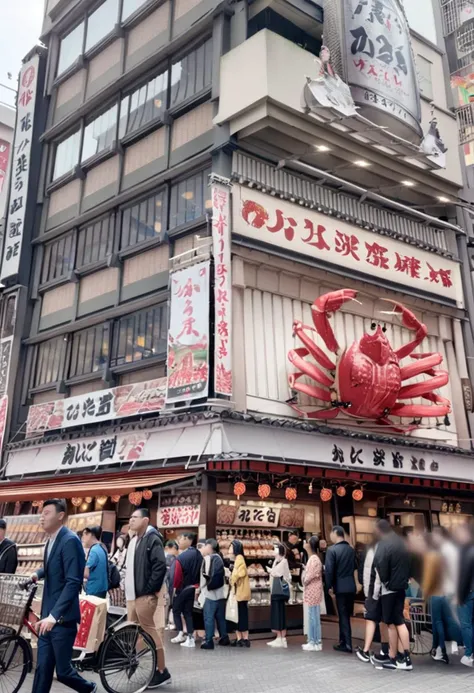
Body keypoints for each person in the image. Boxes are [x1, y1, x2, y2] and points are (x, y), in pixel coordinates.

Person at [30, 499, 96, 693]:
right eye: (41, 513)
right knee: (42, 668)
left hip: (62, 618)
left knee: (64, 671)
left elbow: (73, 581)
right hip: (48, 615)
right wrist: (37, 574)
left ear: (60, 516)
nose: (42, 517)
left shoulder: (69, 540)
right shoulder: (51, 539)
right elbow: (53, 565)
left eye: (47, 513)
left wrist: (54, 615)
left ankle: (89, 689)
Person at [125, 507, 170, 688]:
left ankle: (162, 671)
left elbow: (160, 566)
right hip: (134, 595)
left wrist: (149, 590)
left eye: (135, 517)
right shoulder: (136, 540)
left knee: (150, 631)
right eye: (130, 517)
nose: (131, 520)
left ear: (145, 520)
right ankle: (138, 664)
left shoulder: (153, 538)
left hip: (144, 596)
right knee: (136, 632)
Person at [373, 519, 413, 671]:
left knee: (391, 624)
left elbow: (380, 563)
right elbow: (410, 562)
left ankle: (395, 657)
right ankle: (404, 658)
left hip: (389, 588)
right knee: (399, 621)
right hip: (401, 587)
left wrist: (386, 582)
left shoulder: (383, 543)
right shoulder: (402, 542)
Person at [356, 536, 390, 665]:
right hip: (386, 591)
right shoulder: (388, 550)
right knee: (383, 621)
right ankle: (385, 650)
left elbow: (367, 573)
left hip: (373, 590)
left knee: (370, 620)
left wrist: (368, 592)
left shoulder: (371, 551)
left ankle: (366, 651)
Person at [325, 525, 356, 653]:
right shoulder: (351, 549)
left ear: (334, 533)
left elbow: (329, 571)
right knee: (347, 615)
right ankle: (343, 641)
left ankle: (347, 643)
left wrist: (329, 586)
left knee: (343, 615)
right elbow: (355, 566)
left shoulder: (332, 550)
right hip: (351, 586)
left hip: (340, 587)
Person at [171, 531, 203, 648]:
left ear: (187, 539)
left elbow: (177, 575)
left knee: (176, 610)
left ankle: (181, 633)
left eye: (181, 539)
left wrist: (175, 588)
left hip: (182, 588)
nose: (179, 541)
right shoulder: (198, 554)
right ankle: (190, 637)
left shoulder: (182, 557)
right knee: (188, 613)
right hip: (193, 587)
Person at [200, 538, 229, 649]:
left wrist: (202, 590)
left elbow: (204, 577)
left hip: (210, 593)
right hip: (221, 593)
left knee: (209, 617)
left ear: (209, 546)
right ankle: (224, 637)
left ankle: (209, 641)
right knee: (220, 617)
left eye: (205, 546)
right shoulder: (220, 558)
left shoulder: (208, 559)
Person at [455, 523, 474, 667]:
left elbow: (464, 577)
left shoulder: (467, 551)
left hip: (468, 593)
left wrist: (460, 596)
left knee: (466, 624)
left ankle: (468, 654)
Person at [267, 543, 291, 648]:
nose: (273, 551)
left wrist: (270, 571)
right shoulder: (278, 561)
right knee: (279, 613)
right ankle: (280, 637)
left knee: (278, 613)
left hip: (278, 591)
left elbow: (277, 573)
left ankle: (280, 638)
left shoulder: (283, 562)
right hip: (277, 591)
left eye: (275, 549)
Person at [302, 535, 323, 652]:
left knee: (312, 617)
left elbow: (308, 577)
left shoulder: (313, 559)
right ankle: (316, 641)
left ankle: (313, 641)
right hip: (315, 591)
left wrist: (304, 578)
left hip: (312, 591)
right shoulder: (315, 558)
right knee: (314, 616)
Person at [229, 539, 251, 647]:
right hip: (240, 592)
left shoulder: (239, 558)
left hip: (240, 592)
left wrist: (232, 578)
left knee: (240, 615)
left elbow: (241, 572)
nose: (229, 549)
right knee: (240, 615)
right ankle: (241, 638)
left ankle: (243, 638)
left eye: (231, 547)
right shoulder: (238, 558)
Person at [81, 526, 108, 599]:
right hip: (102, 588)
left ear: (92, 535)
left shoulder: (94, 550)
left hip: (94, 590)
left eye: (85, 534)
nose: (82, 537)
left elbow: (86, 573)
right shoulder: (101, 547)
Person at [165, 540, 179, 628]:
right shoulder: (171, 559)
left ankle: (166, 623)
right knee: (168, 604)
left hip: (165, 585)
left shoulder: (164, 557)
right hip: (168, 585)